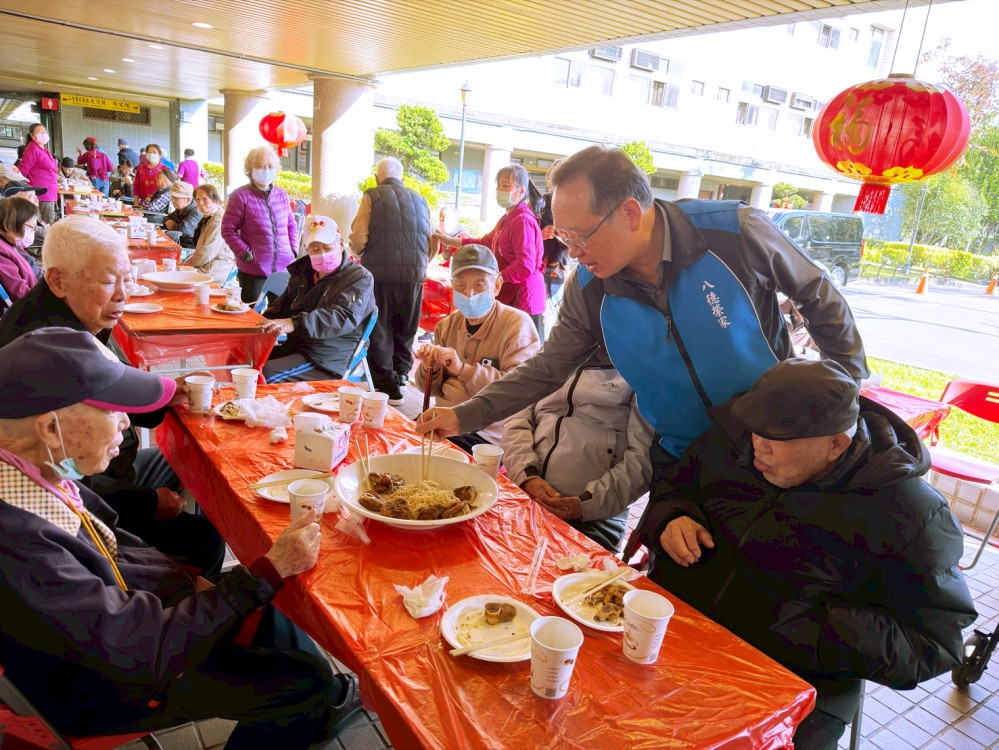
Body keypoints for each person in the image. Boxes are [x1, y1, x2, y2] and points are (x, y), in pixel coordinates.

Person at [416, 146, 868, 554]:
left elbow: (819, 296)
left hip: (768, 443)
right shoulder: (590, 288)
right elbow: (548, 369)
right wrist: (463, 415)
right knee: (688, 578)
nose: (572, 254)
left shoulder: (733, 233)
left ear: (630, 212)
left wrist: (840, 401)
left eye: (580, 237)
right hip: (684, 458)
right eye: (565, 239)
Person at [0, 327, 363, 747]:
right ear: (49, 427)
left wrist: (191, 583)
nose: (125, 424)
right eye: (111, 410)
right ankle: (312, 701)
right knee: (307, 680)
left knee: (266, 614)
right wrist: (263, 572)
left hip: (111, 636)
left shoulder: (33, 470)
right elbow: (139, 650)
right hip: (99, 686)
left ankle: (311, 709)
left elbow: (114, 546)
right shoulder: (18, 543)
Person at [637, 358, 977, 748]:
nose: (757, 448)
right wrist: (671, 517)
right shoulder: (732, 439)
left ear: (836, 443)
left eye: (777, 438)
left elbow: (934, 644)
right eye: (755, 431)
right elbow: (672, 487)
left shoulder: (909, 512)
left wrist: (816, 626)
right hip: (680, 630)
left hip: (796, 679)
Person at [0, 215, 224, 574]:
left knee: (184, 459)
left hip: (103, 468)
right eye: (108, 282)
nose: (123, 294)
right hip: (86, 491)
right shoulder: (48, 351)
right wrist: (145, 502)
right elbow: (69, 476)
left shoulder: (74, 316)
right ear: (58, 280)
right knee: (205, 538)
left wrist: (167, 396)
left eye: (128, 279)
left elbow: (118, 391)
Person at [502, 355, 653, 552]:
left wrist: (586, 504)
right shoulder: (554, 355)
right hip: (527, 496)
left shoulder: (643, 371)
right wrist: (526, 475)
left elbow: (643, 457)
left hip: (595, 519)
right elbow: (516, 416)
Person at [414, 244, 540, 453]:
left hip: (486, 432)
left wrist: (462, 370)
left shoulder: (517, 325)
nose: (470, 294)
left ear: (497, 285)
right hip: (441, 420)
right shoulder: (447, 325)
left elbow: (519, 392)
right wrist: (431, 367)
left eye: (480, 285)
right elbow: (429, 388)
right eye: (461, 286)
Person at [349, 156, 434, 405]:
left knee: (381, 328)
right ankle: (401, 379)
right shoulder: (421, 200)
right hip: (414, 276)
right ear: (402, 178)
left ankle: (386, 386)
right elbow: (430, 243)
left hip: (380, 275)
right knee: (406, 328)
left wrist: (358, 251)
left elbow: (359, 238)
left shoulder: (372, 195)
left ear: (378, 177)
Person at [262, 215, 375, 382]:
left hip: (329, 355)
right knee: (245, 359)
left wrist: (294, 323)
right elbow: (282, 306)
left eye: (328, 247)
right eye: (315, 249)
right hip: (300, 345)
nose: (322, 254)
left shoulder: (359, 277)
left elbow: (342, 317)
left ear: (341, 244)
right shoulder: (303, 272)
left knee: (264, 374)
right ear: (307, 250)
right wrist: (257, 323)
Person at [438, 164, 546, 337]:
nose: (499, 190)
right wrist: (448, 240)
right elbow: (483, 242)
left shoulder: (522, 220)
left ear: (520, 190)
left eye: (505, 185)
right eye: (498, 185)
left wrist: (496, 279)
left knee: (521, 351)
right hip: (510, 292)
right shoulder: (507, 218)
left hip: (523, 297)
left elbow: (525, 266)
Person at [221, 145, 298, 304]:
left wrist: (293, 250)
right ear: (250, 169)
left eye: (270, 166)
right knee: (252, 315)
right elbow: (228, 230)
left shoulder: (281, 194)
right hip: (253, 270)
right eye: (260, 166)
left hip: (283, 268)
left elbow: (291, 225)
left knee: (280, 315)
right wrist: (245, 253)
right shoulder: (240, 196)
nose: (266, 170)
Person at [188, 184, 236, 285]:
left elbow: (207, 252)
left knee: (181, 279)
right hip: (206, 264)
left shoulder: (219, 221)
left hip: (216, 269)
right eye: (198, 199)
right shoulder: (208, 217)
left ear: (216, 200)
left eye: (205, 199)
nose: (201, 203)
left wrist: (188, 264)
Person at [0, 196, 42, 302]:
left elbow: (33, 268)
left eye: (34, 228)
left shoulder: (12, 243)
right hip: (32, 306)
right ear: (7, 224)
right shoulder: (2, 253)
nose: (32, 231)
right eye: (29, 227)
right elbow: (20, 292)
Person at [15, 123, 58, 225]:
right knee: (45, 224)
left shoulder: (43, 148)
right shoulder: (33, 149)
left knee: (47, 222)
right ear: (32, 135)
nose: (43, 134)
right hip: (41, 193)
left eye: (45, 132)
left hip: (49, 192)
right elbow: (22, 172)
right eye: (39, 133)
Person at [162, 180, 201, 247]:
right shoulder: (180, 209)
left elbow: (184, 230)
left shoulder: (196, 211)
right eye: (172, 197)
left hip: (187, 248)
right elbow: (166, 218)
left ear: (188, 200)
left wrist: (172, 226)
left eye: (176, 198)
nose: (173, 200)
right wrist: (167, 221)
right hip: (177, 244)